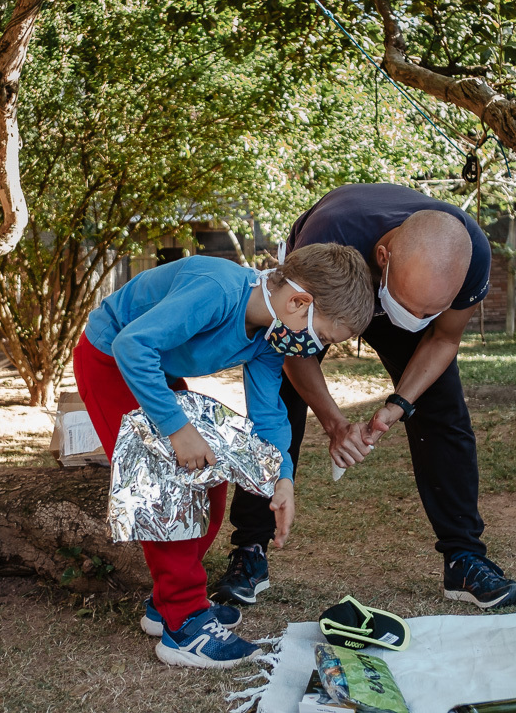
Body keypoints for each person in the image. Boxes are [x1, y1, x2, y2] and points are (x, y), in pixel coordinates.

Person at [216, 183, 516, 611]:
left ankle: (465, 557)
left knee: (444, 414)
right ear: (385, 258)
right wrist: (334, 422)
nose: (414, 320)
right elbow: (291, 347)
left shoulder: (468, 254)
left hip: (394, 290)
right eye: (411, 306)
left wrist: (399, 404)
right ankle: (249, 549)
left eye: (428, 310)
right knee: (278, 406)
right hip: (329, 294)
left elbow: (443, 338)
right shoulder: (333, 234)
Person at [73, 244, 374, 669]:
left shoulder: (272, 338)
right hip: (110, 361)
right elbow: (132, 345)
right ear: (298, 302)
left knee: (209, 479)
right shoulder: (216, 290)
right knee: (169, 490)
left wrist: (282, 478)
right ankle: (184, 624)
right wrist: (178, 430)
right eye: (321, 337)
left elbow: (270, 416)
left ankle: (169, 603)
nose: (314, 349)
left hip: (154, 366)